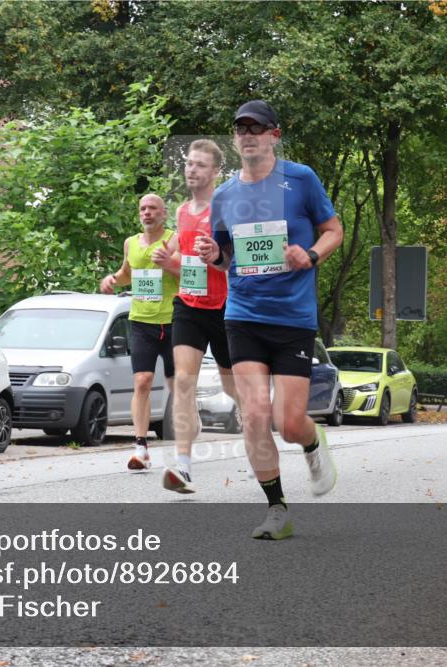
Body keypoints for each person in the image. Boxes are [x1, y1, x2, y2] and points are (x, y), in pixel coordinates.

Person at [195, 100, 343, 539]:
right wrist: (213, 255)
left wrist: (311, 255)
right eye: (240, 128)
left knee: (289, 422)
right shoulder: (224, 196)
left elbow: (334, 229)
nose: (247, 135)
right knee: (255, 415)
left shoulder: (301, 180)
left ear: (274, 135)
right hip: (243, 313)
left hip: (293, 318)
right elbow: (225, 257)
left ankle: (313, 442)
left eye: (256, 127)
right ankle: (277, 508)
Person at [150, 139, 239, 494]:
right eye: (189, 163)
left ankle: (257, 445)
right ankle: (183, 467)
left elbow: (237, 259)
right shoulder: (183, 212)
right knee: (183, 381)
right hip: (189, 305)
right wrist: (165, 257)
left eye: (200, 165)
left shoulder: (226, 208)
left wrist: (218, 255)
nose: (191, 169)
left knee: (235, 388)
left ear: (215, 171)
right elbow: (183, 261)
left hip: (226, 307)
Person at [99, 194, 178, 469]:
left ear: (163, 213)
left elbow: (188, 272)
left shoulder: (174, 238)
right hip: (141, 320)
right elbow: (127, 273)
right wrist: (112, 280)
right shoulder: (130, 243)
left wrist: (170, 262)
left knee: (177, 385)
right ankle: (141, 447)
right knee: (142, 380)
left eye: (152, 208)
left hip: (173, 319)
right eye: (142, 208)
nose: (147, 213)